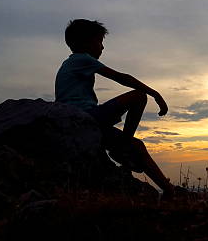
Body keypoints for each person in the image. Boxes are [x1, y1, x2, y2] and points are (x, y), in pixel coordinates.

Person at [54, 19, 179, 197]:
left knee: (139, 146)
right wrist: (154, 93)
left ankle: (170, 192)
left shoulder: (72, 63)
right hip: (84, 118)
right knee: (138, 96)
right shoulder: (81, 59)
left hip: (87, 121)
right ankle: (124, 148)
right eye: (99, 42)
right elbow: (121, 77)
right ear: (84, 42)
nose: (102, 48)